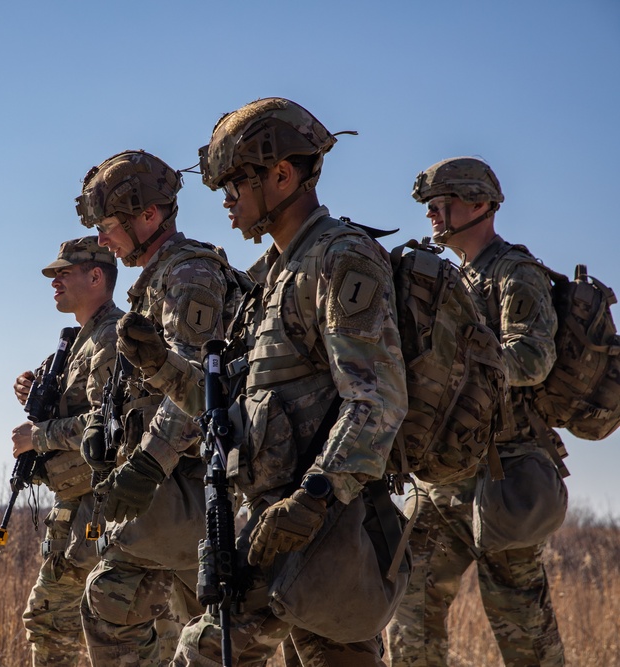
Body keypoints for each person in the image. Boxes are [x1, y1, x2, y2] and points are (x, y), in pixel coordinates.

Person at [121, 98, 409, 666]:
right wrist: (161, 365)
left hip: (325, 527)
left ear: (282, 175)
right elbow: (228, 405)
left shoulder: (340, 259)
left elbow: (377, 398)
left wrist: (315, 498)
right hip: (266, 523)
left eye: (236, 184)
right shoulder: (269, 279)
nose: (226, 200)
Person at [386, 157, 566, 667]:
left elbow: (534, 357)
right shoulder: (452, 277)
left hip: (505, 473)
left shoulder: (516, 272)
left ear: (481, 204)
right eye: (430, 208)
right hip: (443, 475)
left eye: (442, 205)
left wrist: (461, 369)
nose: (433, 216)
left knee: (522, 627)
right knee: (408, 608)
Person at [74, 149, 245, 666]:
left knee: (115, 600)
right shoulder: (159, 280)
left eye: (110, 226)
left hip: (193, 487)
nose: (103, 241)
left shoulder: (189, 275)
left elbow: (194, 387)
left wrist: (145, 466)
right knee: (207, 636)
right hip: (176, 491)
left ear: (150, 215)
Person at [11, 236, 124, 667]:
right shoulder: (78, 341)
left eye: (65, 273)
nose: (54, 282)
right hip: (74, 509)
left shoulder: (113, 336)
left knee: (73, 626)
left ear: (97, 276)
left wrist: (37, 438)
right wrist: (28, 386)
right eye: (53, 275)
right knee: (51, 621)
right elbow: (63, 401)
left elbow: (110, 425)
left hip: (101, 511)